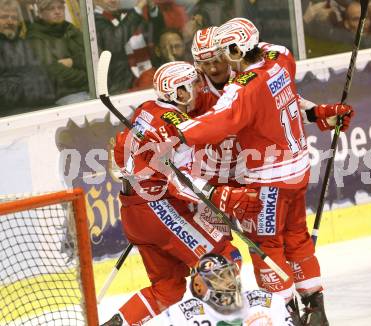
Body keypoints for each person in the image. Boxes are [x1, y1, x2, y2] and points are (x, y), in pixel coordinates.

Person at [152, 17, 355, 325]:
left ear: (230, 52)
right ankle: (224, 313)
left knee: (267, 247)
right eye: (203, 62)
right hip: (216, 181)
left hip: (258, 178)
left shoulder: (241, 83)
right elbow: (172, 117)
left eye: (218, 57)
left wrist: (313, 112)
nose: (214, 67)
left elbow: (252, 105)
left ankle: (290, 313)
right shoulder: (195, 91)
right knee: (223, 252)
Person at [100, 61, 262, 326]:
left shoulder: (144, 110)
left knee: (168, 288)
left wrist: (140, 176)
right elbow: (181, 181)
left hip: (134, 212)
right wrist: (222, 196)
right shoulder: (180, 127)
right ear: (180, 92)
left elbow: (118, 158)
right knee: (225, 258)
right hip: (158, 209)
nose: (198, 88)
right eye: (192, 84)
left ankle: (118, 324)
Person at [155, 253, 297, 325]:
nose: (228, 284)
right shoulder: (181, 316)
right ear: (199, 288)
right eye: (217, 279)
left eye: (228, 276)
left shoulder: (267, 302)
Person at [94, 0, 164, 93]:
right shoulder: (94, 21)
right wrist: (138, 8)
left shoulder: (127, 15)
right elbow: (114, 43)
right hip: (121, 85)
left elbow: (157, 35)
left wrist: (152, 8)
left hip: (147, 75)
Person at [0, 0, 55, 115]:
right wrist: (32, 85)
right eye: (4, 17)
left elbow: (47, 79)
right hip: (12, 115)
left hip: (43, 106)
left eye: (14, 18)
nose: (10, 21)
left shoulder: (24, 44)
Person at [27, 0, 88, 104]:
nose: (57, 12)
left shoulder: (71, 29)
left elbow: (95, 56)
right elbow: (54, 72)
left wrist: (73, 62)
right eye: (51, 8)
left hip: (91, 88)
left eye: (60, 7)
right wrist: (89, 77)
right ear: (41, 13)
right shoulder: (35, 37)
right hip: (64, 95)